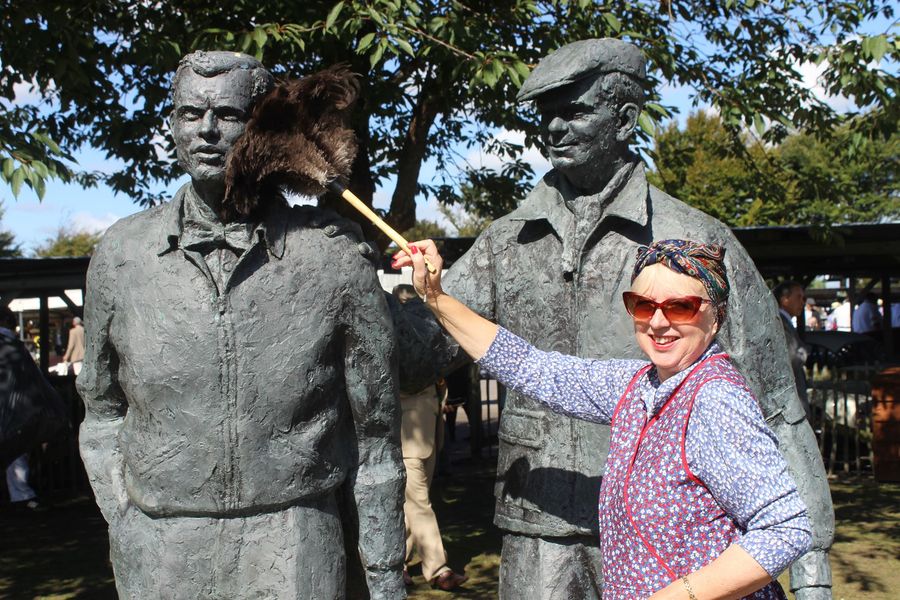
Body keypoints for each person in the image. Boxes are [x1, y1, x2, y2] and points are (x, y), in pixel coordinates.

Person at [430, 38, 832, 599]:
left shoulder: (700, 238)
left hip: (677, 541)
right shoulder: (506, 241)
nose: (554, 129)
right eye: (546, 115)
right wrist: (419, 294)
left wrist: (812, 575)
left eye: (574, 111)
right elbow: (498, 363)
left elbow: (779, 404)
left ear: (624, 120)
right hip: (539, 523)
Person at [77, 51, 404, 599]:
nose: (206, 130)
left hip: (294, 540)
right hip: (160, 548)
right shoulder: (121, 255)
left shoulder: (329, 256)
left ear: (262, 127)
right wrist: (124, 516)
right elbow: (101, 408)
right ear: (171, 124)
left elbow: (377, 438)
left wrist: (386, 576)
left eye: (228, 114)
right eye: (189, 114)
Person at [397, 238, 812, 600]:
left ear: (716, 315)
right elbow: (531, 367)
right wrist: (435, 296)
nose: (659, 321)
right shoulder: (639, 384)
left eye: (681, 307)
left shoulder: (716, 399)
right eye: (643, 305)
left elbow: (786, 527)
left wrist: (678, 596)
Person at [392, 285, 468, 591]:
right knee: (418, 501)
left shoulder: (419, 339)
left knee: (411, 503)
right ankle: (438, 569)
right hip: (408, 433)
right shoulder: (396, 341)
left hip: (426, 429)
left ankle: (395, 564)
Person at [773, 281, 811, 420]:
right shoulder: (780, 322)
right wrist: (804, 352)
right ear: (785, 299)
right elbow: (793, 357)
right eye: (798, 297)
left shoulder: (784, 321)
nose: (802, 302)